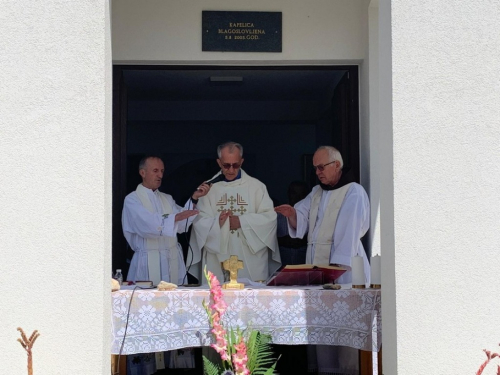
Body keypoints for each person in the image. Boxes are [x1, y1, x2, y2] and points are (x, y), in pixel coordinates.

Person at [275, 145, 370, 375]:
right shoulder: (316, 192)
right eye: (315, 168)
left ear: (336, 165)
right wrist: (292, 215)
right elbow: (303, 216)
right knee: (323, 330)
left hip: (344, 273)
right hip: (320, 275)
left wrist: (335, 269)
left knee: (345, 326)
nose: (317, 172)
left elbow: (349, 231)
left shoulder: (353, 191)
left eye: (321, 167)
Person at [187, 141, 281, 284]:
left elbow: (270, 218)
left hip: (249, 256)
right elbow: (199, 222)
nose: (231, 170)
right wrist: (218, 223)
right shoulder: (207, 189)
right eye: (226, 165)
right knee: (217, 302)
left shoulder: (256, 187)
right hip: (217, 255)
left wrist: (241, 222)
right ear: (219, 162)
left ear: (242, 161)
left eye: (236, 165)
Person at [122, 155, 211, 286]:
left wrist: (194, 199)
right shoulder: (132, 200)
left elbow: (181, 226)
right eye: (155, 171)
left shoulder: (167, 198)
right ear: (142, 172)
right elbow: (146, 225)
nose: (160, 175)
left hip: (172, 259)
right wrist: (175, 217)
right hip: (147, 260)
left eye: (162, 171)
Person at [276, 180, 310, 267]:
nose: (298, 197)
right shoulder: (278, 213)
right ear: (289, 194)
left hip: (303, 259)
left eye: (301, 193)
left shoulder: (311, 214)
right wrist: (285, 240)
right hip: (282, 259)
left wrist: (300, 239)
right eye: (294, 193)